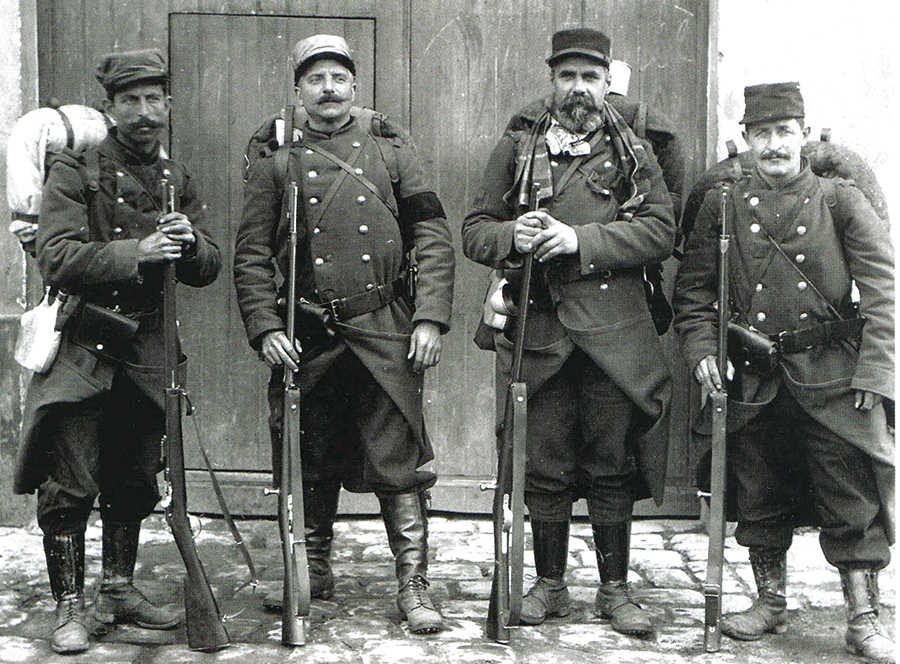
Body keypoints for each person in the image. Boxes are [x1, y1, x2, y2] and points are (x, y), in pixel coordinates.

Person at [234, 34, 454, 634]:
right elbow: (251, 256)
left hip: (384, 328)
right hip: (308, 331)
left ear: (355, 85)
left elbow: (432, 236)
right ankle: (312, 569)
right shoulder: (276, 160)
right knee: (308, 452)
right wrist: (265, 328)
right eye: (315, 79)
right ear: (298, 88)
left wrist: (430, 315)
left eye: (339, 78)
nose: (328, 89)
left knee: (399, 459)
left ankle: (413, 584)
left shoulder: (392, 150)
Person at [462, 28, 675, 638]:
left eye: (590, 78)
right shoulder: (517, 145)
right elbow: (476, 228)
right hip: (542, 327)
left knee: (611, 461)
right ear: (550, 82)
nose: (578, 90)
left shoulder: (635, 152)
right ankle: (550, 584)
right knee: (546, 462)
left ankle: (614, 590)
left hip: (615, 333)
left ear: (607, 84)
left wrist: (582, 239)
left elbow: (661, 230)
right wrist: (513, 236)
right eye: (566, 77)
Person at [673, 82, 894, 662]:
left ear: (803, 134)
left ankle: (863, 613)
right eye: (762, 133)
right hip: (754, 378)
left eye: (784, 132)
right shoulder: (722, 204)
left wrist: (877, 373)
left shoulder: (840, 201)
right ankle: (769, 602)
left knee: (848, 493)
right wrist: (702, 350)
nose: (774, 145)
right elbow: (694, 294)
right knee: (759, 489)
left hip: (832, 375)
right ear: (747, 140)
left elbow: (883, 293)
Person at [14, 49, 222, 654]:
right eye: (129, 101)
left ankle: (118, 588)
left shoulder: (175, 177)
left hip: (149, 350)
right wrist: (139, 254)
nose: (144, 112)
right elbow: (56, 257)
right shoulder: (75, 172)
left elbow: (206, 268)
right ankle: (70, 605)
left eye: (154, 99)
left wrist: (190, 246)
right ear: (109, 108)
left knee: (134, 476)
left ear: (168, 106)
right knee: (70, 478)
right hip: (85, 349)